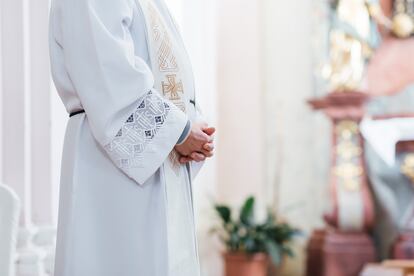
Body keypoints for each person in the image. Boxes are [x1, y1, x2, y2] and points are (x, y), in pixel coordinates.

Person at [49, 0, 215, 275]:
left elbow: (170, 74)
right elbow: (108, 73)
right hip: (107, 166)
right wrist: (180, 131)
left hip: (160, 162)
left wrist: (192, 124)